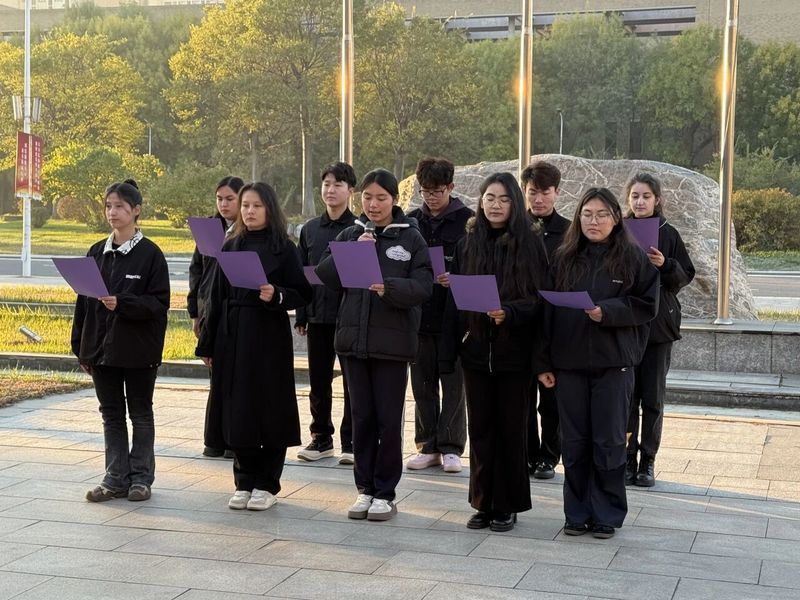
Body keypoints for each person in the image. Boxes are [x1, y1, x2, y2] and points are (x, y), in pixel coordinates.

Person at [536, 187, 659, 539]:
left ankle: (607, 513)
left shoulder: (633, 258)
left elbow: (646, 305)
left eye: (602, 214)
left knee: (609, 441)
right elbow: (546, 313)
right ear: (578, 218)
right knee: (574, 442)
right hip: (569, 364)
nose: (594, 221)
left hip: (614, 364)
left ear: (616, 218)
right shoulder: (563, 258)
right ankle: (576, 513)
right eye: (587, 214)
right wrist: (543, 362)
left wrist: (608, 311)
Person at [316, 169, 432, 522]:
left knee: (387, 420)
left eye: (381, 198)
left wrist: (389, 288)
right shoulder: (352, 233)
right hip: (354, 343)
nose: (373, 204)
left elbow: (423, 286)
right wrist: (354, 250)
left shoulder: (410, 238)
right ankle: (364, 489)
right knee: (361, 418)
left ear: (394, 200)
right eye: (367, 197)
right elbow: (325, 274)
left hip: (392, 345)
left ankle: (385, 492)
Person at [440, 171, 548, 533]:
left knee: (512, 430)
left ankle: (507, 504)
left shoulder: (531, 245)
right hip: (475, 351)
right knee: (482, 429)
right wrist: (449, 349)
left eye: (503, 199)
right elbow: (455, 301)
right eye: (489, 198)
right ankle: (482, 502)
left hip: (514, 353)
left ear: (514, 203)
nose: (495, 205)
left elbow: (539, 300)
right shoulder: (467, 243)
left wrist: (510, 312)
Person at [196, 182, 312, 511]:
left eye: (256, 206)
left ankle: (267, 483)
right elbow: (215, 297)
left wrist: (277, 295)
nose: (249, 211)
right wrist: (208, 343)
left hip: (268, 335)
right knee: (238, 408)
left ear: (269, 209)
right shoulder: (231, 245)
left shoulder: (284, 248)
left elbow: (304, 292)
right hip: (233, 335)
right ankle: (244, 480)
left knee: (271, 407)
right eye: (245, 205)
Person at [73, 179, 170, 503]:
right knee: (111, 414)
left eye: (119, 206)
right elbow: (83, 304)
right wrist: (81, 347)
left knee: (140, 413)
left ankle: (141, 478)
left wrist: (123, 303)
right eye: (108, 206)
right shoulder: (96, 252)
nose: (112, 212)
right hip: (101, 351)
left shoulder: (150, 254)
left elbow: (159, 304)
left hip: (138, 351)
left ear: (136, 210)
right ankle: (114, 478)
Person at [624, 173, 695, 487]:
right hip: (626, 326)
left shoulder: (668, 232)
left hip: (659, 328)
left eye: (646, 196)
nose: (640, 202)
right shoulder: (619, 230)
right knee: (627, 398)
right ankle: (627, 458)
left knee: (652, 398)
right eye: (635, 196)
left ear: (657, 200)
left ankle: (648, 460)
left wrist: (665, 264)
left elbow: (685, 275)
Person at [405, 157, 473, 473]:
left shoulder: (468, 222)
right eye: (426, 191)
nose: (431, 197)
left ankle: (451, 447)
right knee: (422, 383)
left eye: (438, 191)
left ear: (451, 187)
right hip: (419, 315)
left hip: (454, 316)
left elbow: (478, 265)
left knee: (454, 384)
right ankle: (427, 444)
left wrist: (456, 277)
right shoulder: (411, 222)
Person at [295, 163, 357, 464]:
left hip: (348, 317)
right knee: (318, 381)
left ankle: (352, 441)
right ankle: (321, 437)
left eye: (338, 184)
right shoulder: (310, 230)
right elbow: (300, 275)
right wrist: (302, 314)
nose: (330, 190)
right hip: (318, 316)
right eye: (326, 184)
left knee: (352, 383)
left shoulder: (358, 229)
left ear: (350, 190)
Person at [187, 175, 244, 458]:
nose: (223, 204)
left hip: (237, 309)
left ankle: (235, 440)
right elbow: (196, 270)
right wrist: (194, 312)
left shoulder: (248, 231)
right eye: (219, 199)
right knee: (216, 376)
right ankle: (215, 439)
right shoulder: (209, 229)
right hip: (209, 309)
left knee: (237, 378)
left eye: (230, 199)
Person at [521, 161, 570, 480]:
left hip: (555, 324)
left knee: (551, 398)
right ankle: (526, 453)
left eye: (545, 192)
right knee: (522, 397)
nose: (538, 199)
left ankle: (549, 456)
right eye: (532, 192)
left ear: (557, 192)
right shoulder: (515, 227)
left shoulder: (569, 230)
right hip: (521, 322)